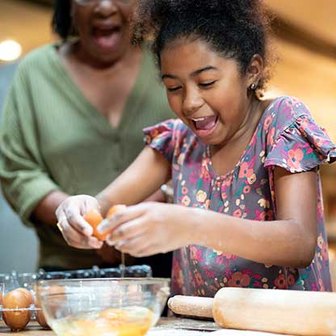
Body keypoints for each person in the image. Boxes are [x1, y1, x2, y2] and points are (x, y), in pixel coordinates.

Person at [55, 0, 336, 296]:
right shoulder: (178, 141)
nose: (189, 102)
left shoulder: (280, 122)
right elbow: (99, 206)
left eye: (207, 82)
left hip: (282, 325)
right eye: (174, 88)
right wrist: (77, 211)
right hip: (199, 324)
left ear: (252, 71)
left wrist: (192, 224)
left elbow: (299, 242)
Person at [0, 0, 173, 276]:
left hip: (166, 261)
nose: (104, 7)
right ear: (68, 6)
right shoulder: (35, 72)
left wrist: (142, 211)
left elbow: (197, 149)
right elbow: (17, 170)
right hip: (68, 266)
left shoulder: (170, 60)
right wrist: (75, 216)